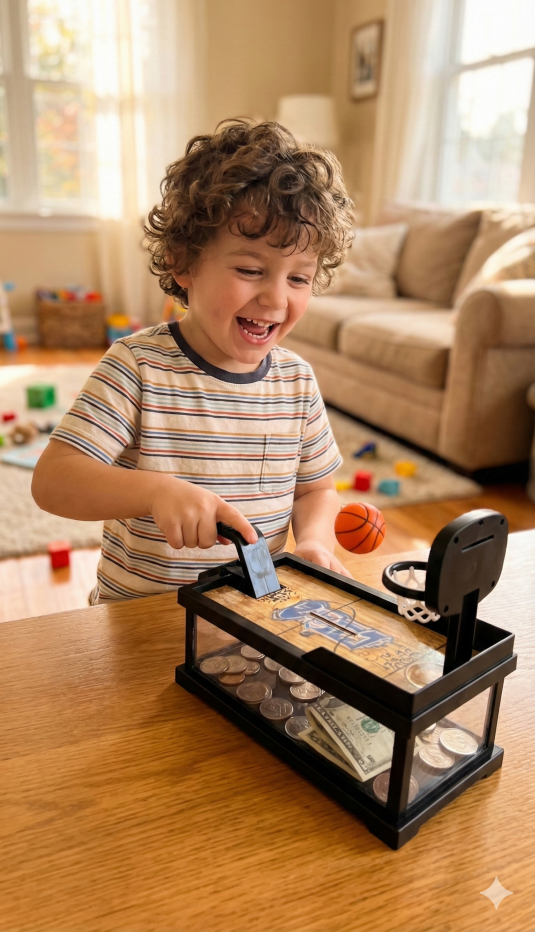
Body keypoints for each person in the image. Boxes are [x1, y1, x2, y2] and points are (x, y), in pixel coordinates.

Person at [32, 119, 354, 602]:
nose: (275, 299)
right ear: (183, 262)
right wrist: (155, 491)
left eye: (299, 279)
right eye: (250, 269)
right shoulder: (137, 367)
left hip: (251, 617)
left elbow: (315, 490)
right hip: (138, 621)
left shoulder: (297, 383)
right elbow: (53, 480)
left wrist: (313, 541)